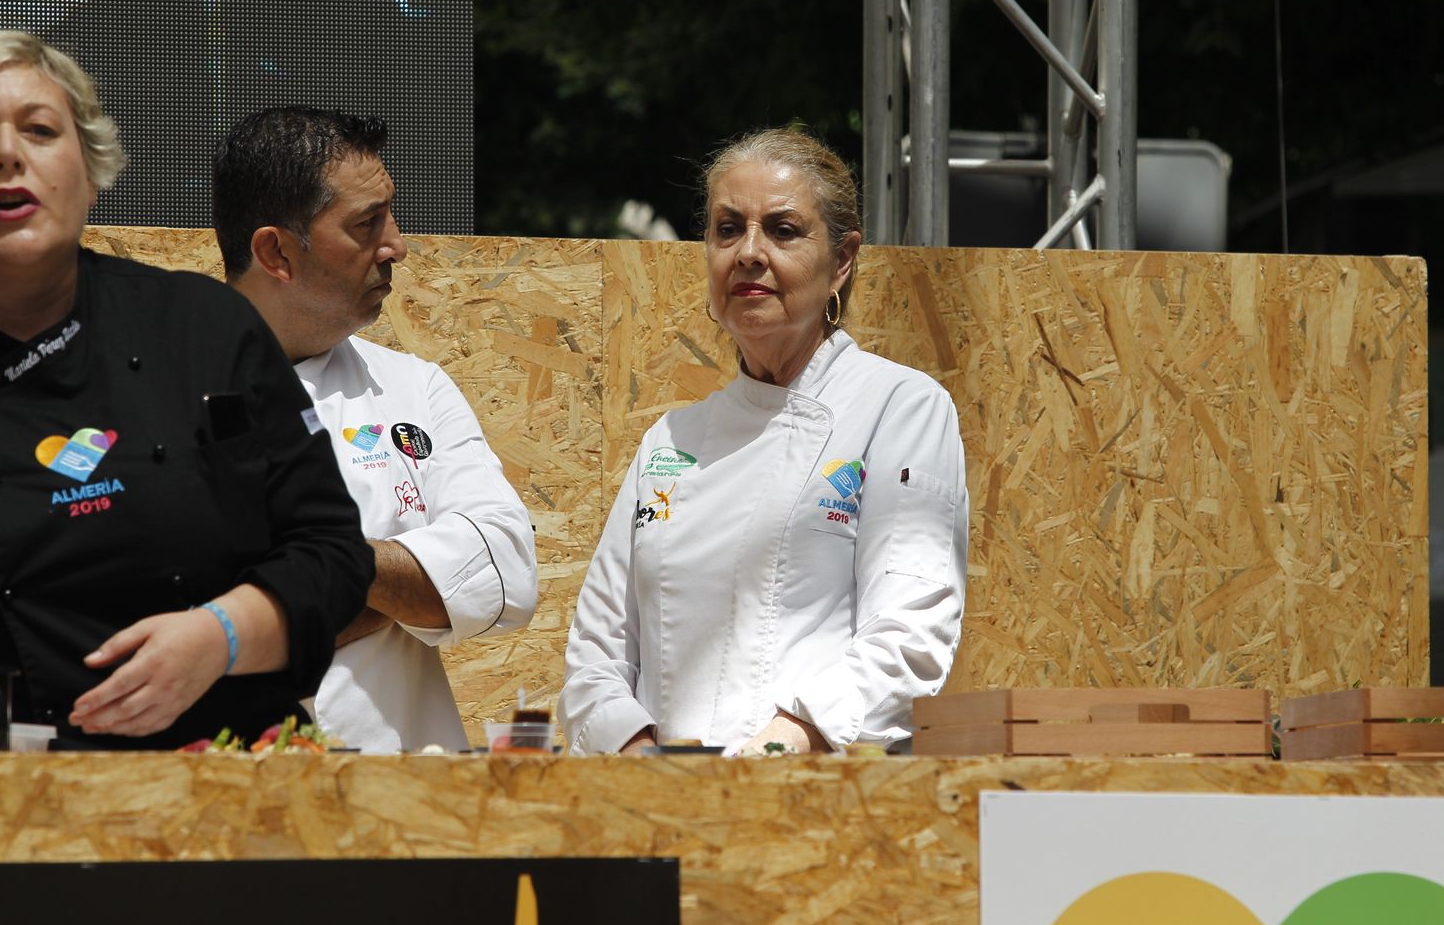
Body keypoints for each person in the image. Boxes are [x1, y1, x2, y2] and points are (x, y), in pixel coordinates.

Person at [0, 31, 374, 749]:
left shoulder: (204, 327)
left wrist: (221, 636)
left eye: (41, 130)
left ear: (91, 170)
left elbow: (331, 552)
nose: (8, 155)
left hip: (230, 775)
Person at [561, 127, 969, 756]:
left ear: (842, 260)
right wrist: (639, 757)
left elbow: (911, 633)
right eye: (728, 229)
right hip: (661, 801)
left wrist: (781, 748)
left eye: (782, 230)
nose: (749, 252)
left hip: (816, 794)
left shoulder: (899, 408)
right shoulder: (670, 441)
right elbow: (597, 650)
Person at [212, 106, 538, 752]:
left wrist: (330, 565)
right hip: (222, 799)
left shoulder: (414, 386)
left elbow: (507, 566)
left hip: (402, 814)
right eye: (367, 224)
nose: (397, 244)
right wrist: (395, 588)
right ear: (276, 251)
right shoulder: (163, 387)